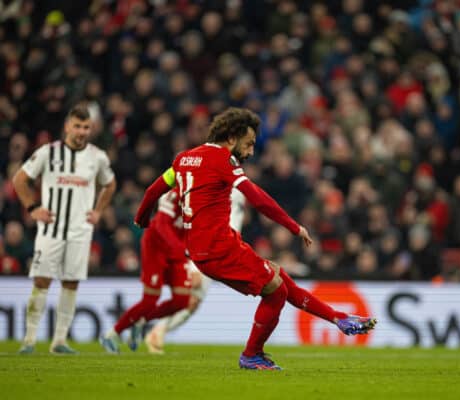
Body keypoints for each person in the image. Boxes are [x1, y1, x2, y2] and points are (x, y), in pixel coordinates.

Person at [134, 107, 376, 370]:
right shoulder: (223, 161)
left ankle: (338, 318)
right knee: (276, 291)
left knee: (279, 277)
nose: (250, 152)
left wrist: (142, 219)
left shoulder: (183, 160)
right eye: (248, 144)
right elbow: (257, 198)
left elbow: (153, 190)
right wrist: (293, 226)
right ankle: (251, 354)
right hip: (218, 249)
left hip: (209, 247)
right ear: (230, 138)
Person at [13, 103, 116, 354]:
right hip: (51, 229)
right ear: (67, 126)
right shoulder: (48, 153)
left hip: (80, 231)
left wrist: (99, 210)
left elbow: (110, 184)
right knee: (42, 281)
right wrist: (32, 208)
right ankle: (29, 340)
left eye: (86, 127)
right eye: (77, 126)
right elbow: (19, 180)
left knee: (71, 283)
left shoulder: (97, 157)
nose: (81, 131)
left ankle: (59, 341)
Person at [143, 188, 245, 354]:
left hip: (222, 247)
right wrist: (190, 258)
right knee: (191, 294)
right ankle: (154, 328)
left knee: (193, 303)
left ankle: (157, 330)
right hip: (206, 246)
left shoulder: (238, 184)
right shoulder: (210, 183)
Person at [100, 188, 201, 353]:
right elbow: (161, 224)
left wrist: (192, 263)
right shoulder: (175, 194)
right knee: (150, 300)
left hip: (178, 250)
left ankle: (140, 322)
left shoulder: (205, 197)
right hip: (157, 246)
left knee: (182, 300)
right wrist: (181, 249)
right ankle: (111, 335)